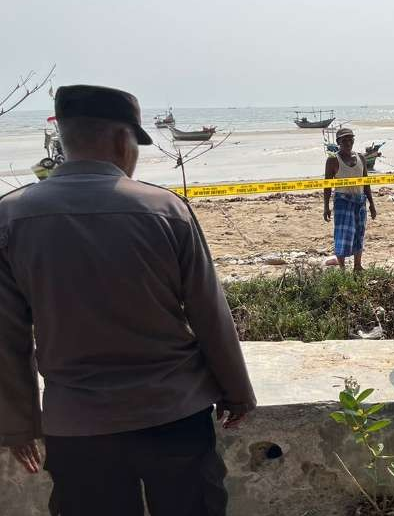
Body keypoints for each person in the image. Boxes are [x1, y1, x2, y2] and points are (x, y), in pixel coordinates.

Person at [0, 85, 256, 515]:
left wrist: (19, 425)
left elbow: (7, 338)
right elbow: (209, 312)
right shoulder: (165, 209)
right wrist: (237, 394)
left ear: (63, 136)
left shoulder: (11, 217)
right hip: (176, 415)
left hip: (77, 426)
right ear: (123, 140)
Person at [323, 127, 377, 271]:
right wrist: (326, 206)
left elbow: (366, 182)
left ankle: (357, 266)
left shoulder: (361, 158)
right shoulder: (333, 160)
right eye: (344, 140)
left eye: (350, 139)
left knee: (359, 234)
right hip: (342, 202)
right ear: (338, 142)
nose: (348, 142)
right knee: (343, 235)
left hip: (360, 201)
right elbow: (327, 185)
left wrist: (371, 204)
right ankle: (342, 268)